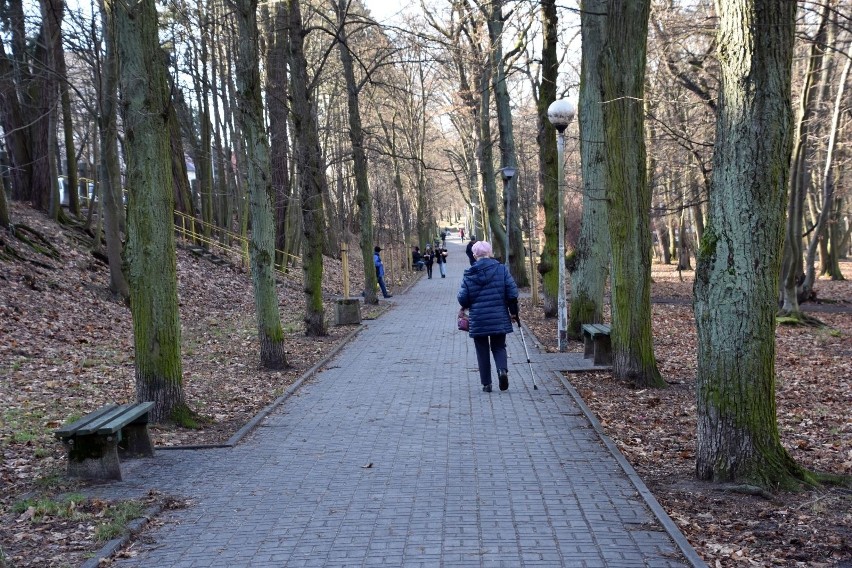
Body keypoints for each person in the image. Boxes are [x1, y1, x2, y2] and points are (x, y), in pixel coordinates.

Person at [458, 241, 519, 392]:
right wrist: (514, 312)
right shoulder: (501, 269)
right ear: (490, 253)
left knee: (482, 349)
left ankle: (487, 384)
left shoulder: (469, 273)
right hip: (499, 317)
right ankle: (502, 371)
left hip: (478, 319)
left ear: (474, 256)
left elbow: (463, 299)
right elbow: (512, 294)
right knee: (499, 347)